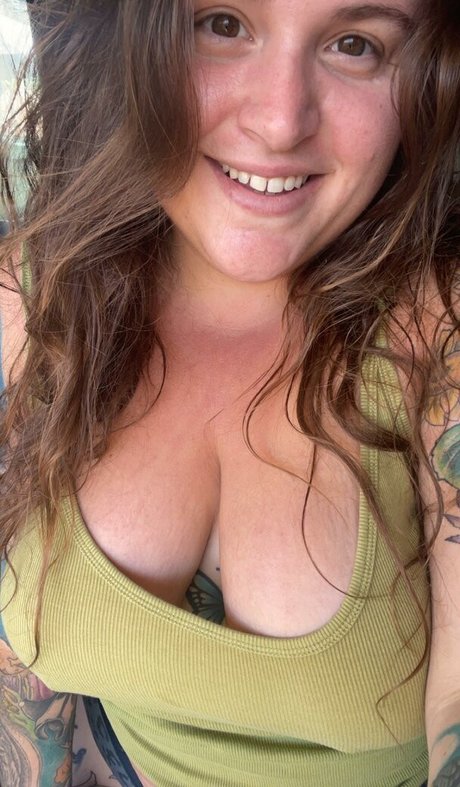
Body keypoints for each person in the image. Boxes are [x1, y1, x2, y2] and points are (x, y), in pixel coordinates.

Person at [0, 0, 458, 784]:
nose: (280, 122)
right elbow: (18, 668)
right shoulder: (36, 294)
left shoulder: (439, 334)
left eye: (355, 45)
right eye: (221, 24)